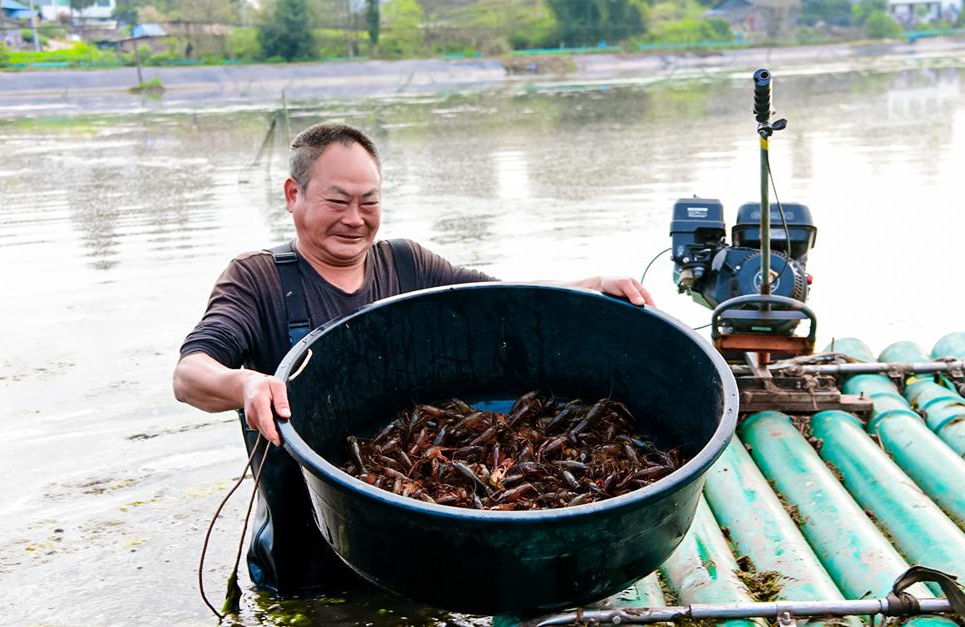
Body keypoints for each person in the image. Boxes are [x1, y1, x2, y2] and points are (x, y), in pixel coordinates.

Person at [173, 122, 654, 594]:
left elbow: (504, 300)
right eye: (338, 202)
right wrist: (246, 384)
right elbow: (190, 372)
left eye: (369, 202)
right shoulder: (258, 280)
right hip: (312, 569)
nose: (355, 218)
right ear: (292, 194)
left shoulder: (408, 265)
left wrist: (591, 286)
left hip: (420, 561)